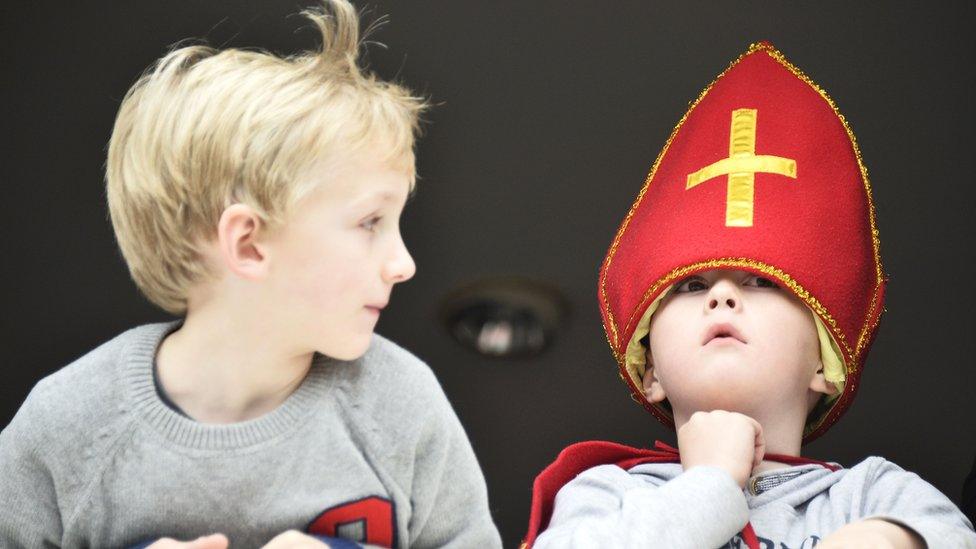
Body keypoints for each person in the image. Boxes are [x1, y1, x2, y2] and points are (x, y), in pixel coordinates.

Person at [0, 1, 502, 547]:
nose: (403, 264)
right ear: (248, 243)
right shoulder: (65, 428)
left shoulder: (402, 406)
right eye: (370, 221)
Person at [523, 42, 976, 548]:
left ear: (825, 365)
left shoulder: (876, 496)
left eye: (762, 282)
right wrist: (710, 485)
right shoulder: (607, 494)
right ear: (649, 370)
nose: (720, 296)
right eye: (692, 285)